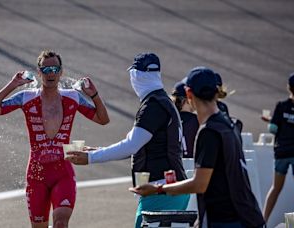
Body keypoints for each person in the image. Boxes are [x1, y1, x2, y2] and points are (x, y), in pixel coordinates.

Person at [0, 50, 109, 228]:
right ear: (39, 72)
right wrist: (13, 84)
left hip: (62, 173)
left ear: (61, 72)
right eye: (46, 69)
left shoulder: (73, 96)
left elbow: (103, 120)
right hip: (36, 174)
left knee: (60, 223)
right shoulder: (26, 97)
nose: (51, 73)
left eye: (55, 69)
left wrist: (94, 95)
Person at [130, 67, 265, 228]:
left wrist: (157, 189)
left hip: (228, 220)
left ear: (189, 94)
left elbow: (199, 184)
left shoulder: (209, 132)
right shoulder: (229, 124)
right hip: (247, 216)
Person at [66, 52, 189, 228]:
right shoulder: (161, 101)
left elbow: (131, 145)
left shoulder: (153, 106)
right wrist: (96, 150)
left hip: (161, 192)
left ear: (135, 75)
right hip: (167, 190)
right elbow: (138, 144)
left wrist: (91, 158)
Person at [261, 73, 294, 223]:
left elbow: (273, 128)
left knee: (275, 188)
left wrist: (273, 120)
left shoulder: (281, 106)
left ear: (289, 88)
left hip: (281, 152)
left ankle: (263, 220)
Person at [171, 81, 199, 158]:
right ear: (186, 100)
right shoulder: (197, 121)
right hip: (193, 166)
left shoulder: (169, 120)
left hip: (174, 166)